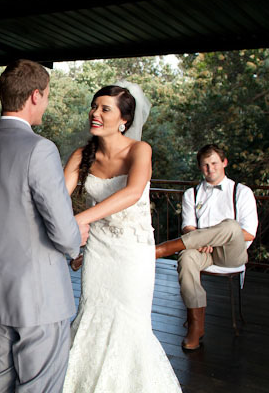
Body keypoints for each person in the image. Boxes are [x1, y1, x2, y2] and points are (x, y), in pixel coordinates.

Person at [0, 59, 83, 391]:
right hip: (40, 295)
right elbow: (64, 235)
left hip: (0, 290)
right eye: (46, 96)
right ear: (35, 95)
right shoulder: (40, 149)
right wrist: (77, 236)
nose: (45, 103)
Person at [61, 83, 180, 392]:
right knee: (92, 315)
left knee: (130, 323)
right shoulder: (81, 155)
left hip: (133, 253)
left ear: (124, 120)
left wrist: (80, 220)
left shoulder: (140, 150)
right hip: (98, 251)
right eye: (94, 106)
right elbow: (56, 200)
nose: (95, 113)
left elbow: (133, 192)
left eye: (105, 109)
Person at [156, 144, 257, 350]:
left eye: (214, 163)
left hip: (231, 253)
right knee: (186, 257)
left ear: (224, 163)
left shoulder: (242, 192)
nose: (210, 169)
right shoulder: (191, 194)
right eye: (205, 165)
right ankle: (196, 326)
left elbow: (248, 233)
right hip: (203, 252)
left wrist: (209, 239)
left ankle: (164, 249)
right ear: (200, 167)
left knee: (231, 226)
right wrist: (202, 241)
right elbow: (188, 228)